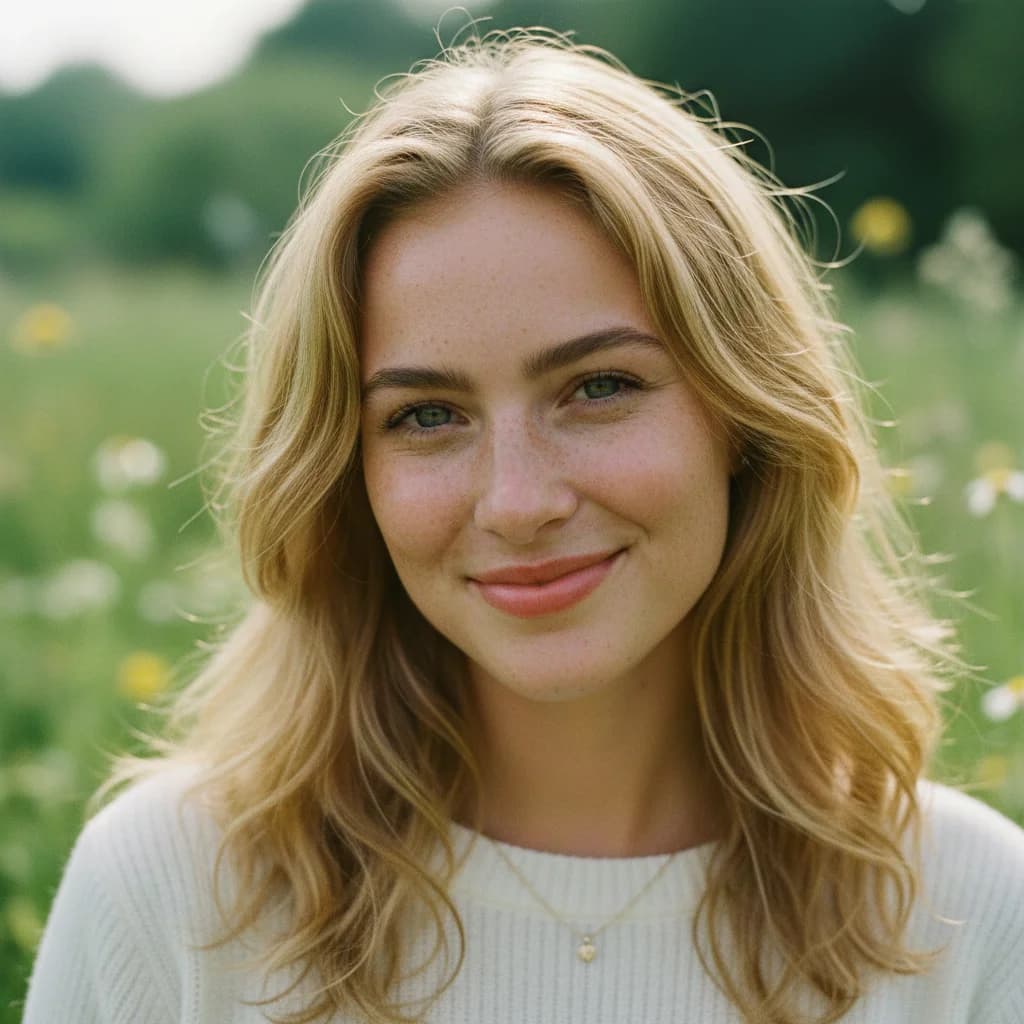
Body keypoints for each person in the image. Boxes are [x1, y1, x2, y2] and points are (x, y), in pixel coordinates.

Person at [21, 27, 1024, 1024]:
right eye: (425, 416)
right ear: (344, 474)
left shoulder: (972, 916)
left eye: (597, 386)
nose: (516, 500)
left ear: (744, 417)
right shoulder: (168, 897)